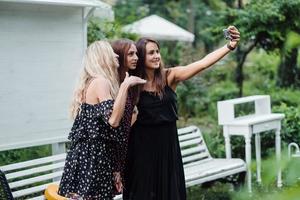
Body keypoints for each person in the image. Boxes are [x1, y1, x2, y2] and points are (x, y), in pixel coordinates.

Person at [123, 26, 240, 200]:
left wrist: (229, 46)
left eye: (157, 51)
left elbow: (202, 63)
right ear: (140, 57)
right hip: (141, 152)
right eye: (150, 53)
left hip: (167, 148)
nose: (156, 56)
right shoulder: (131, 84)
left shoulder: (169, 77)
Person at [58, 40, 146, 199]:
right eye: (110, 53)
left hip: (84, 155)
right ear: (103, 57)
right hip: (95, 157)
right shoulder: (101, 82)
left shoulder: (90, 81)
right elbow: (113, 121)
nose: (115, 55)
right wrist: (125, 86)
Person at [110, 39, 139, 192]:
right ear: (120, 56)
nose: (136, 58)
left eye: (136, 54)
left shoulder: (127, 81)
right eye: (130, 54)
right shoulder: (112, 83)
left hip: (124, 147)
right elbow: (112, 123)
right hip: (111, 150)